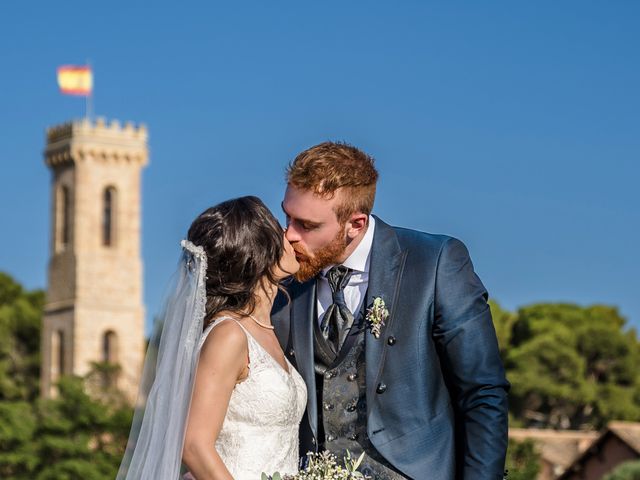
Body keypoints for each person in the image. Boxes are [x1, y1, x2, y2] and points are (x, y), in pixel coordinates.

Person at [271, 142, 510, 479]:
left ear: (355, 224)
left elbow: (482, 392)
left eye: (307, 225)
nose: (289, 235)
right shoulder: (282, 283)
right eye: (287, 216)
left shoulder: (434, 264)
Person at [117, 196, 306, 480]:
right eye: (278, 228)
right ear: (258, 252)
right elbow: (193, 444)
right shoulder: (229, 334)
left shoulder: (267, 330)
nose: (288, 235)